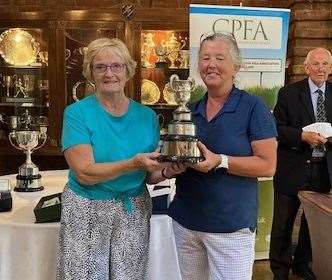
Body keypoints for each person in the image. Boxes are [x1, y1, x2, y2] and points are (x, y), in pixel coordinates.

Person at [57, 37, 184, 280]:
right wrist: (132, 163)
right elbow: (84, 172)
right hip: (87, 209)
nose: (109, 73)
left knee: (130, 276)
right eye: (100, 67)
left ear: (128, 71)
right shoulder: (76, 113)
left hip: (133, 209)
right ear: (90, 73)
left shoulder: (147, 117)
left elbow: (149, 175)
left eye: (116, 66)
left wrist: (168, 171)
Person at [166, 32, 277, 280]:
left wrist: (221, 161)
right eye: (205, 58)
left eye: (220, 57)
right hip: (186, 223)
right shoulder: (189, 111)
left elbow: (268, 166)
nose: (211, 64)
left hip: (230, 227)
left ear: (235, 66)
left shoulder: (253, 107)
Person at [269, 47, 332, 280]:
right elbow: (276, 129)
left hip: (322, 171)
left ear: (331, 68)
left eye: (325, 64)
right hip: (292, 168)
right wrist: (301, 137)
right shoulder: (288, 93)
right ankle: (279, 271)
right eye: (316, 64)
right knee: (283, 225)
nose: (321, 68)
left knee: (311, 224)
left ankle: (302, 265)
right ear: (306, 68)